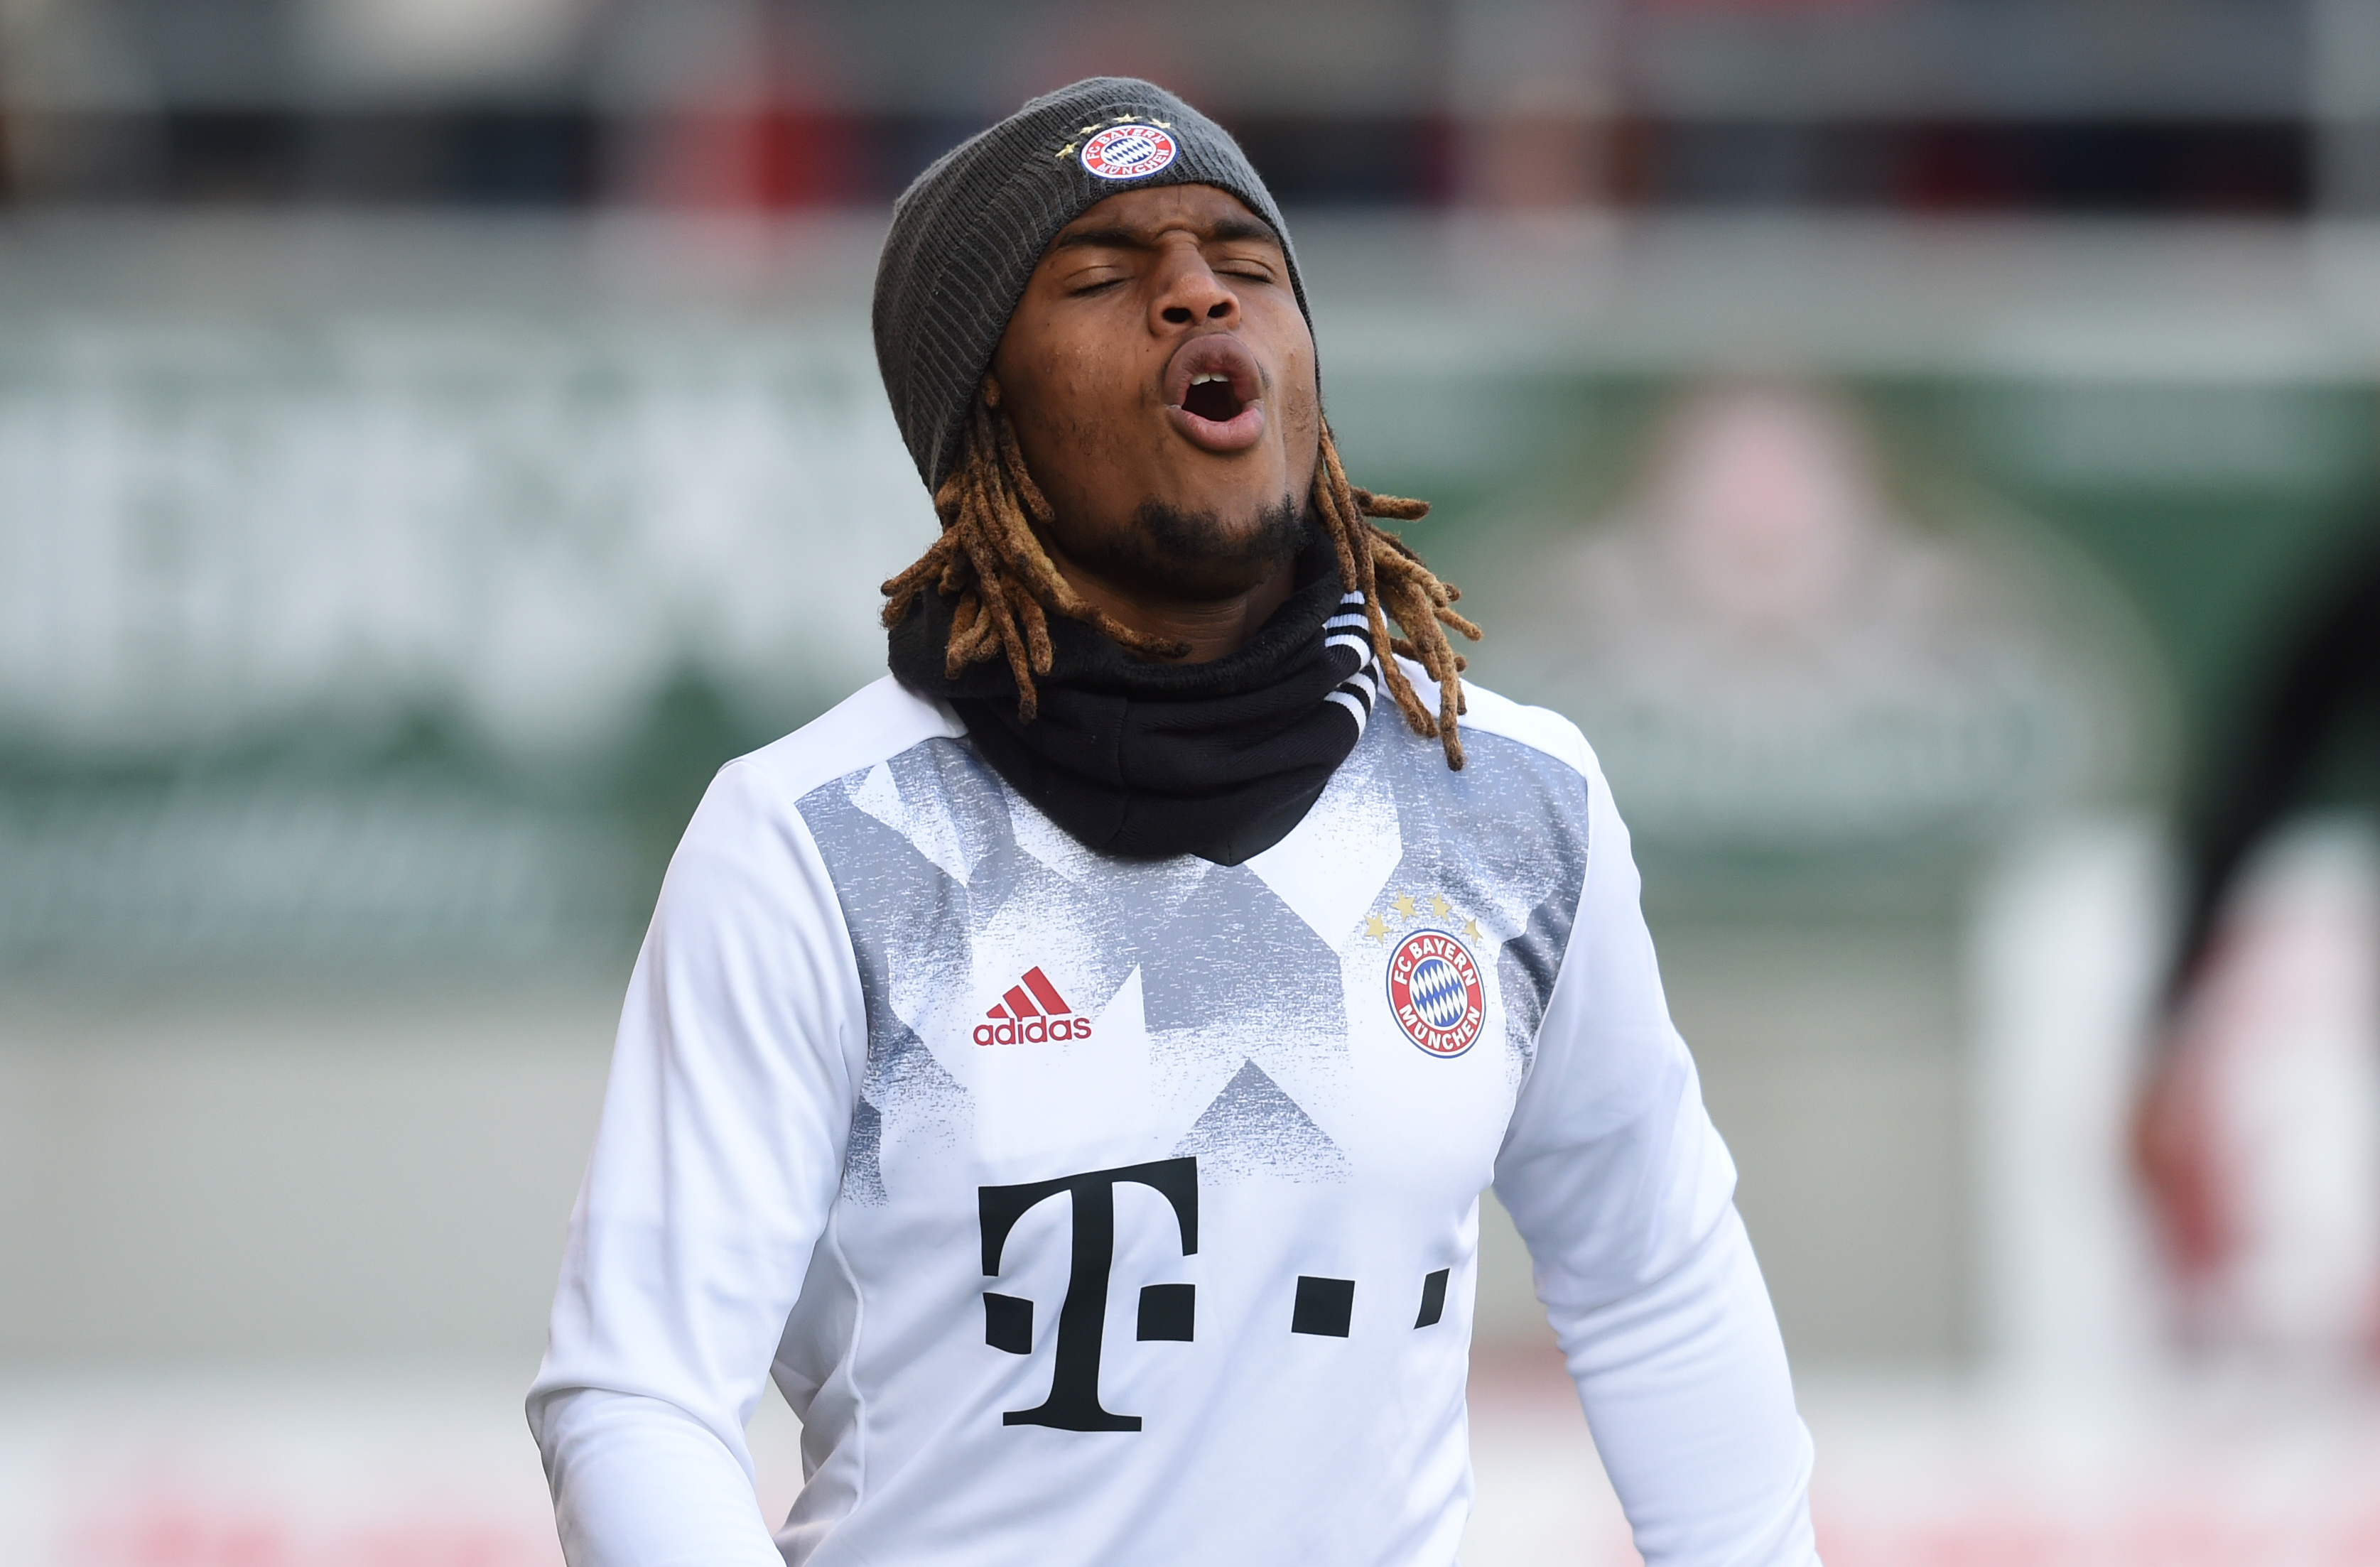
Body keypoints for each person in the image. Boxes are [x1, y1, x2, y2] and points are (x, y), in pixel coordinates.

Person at [527, 77, 1817, 1567]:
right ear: (982, 416)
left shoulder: (1512, 799)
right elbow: (635, 1390)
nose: (1199, 291)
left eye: (1246, 263)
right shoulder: (815, 841)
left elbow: (1656, 1277)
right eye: (1101, 275)